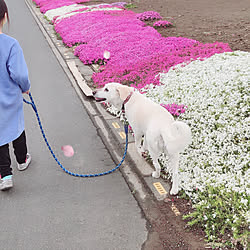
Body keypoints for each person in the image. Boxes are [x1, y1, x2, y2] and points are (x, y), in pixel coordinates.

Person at [0, 0, 31, 191]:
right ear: (4, 16)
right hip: (10, 98)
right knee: (17, 127)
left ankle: (6, 175)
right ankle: (22, 160)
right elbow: (20, 74)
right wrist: (25, 87)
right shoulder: (10, 44)